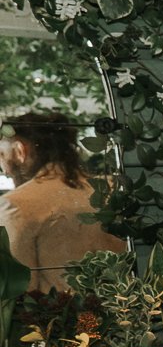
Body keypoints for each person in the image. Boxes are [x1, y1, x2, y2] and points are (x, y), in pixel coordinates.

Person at [0, 113, 124, 291]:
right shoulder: (113, 187)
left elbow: (19, 293)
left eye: (1, 154)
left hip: (63, 317)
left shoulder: (15, 205)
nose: (3, 168)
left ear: (20, 151)